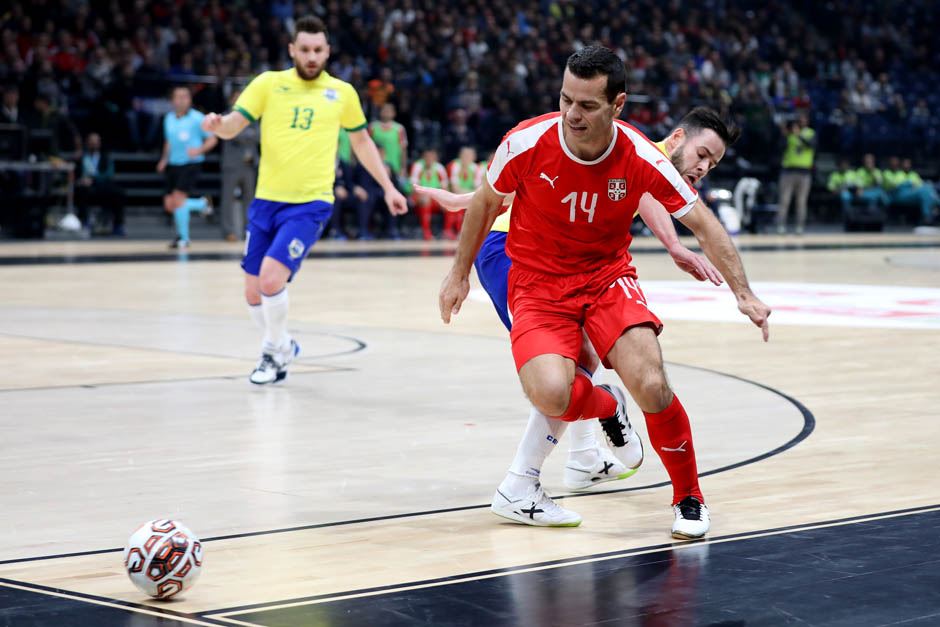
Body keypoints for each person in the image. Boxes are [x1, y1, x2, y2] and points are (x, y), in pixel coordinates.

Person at [438, 46, 771, 539]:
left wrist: (744, 293)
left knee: (650, 382)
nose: (572, 114)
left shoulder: (638, 157)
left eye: (587, 105)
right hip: (526, 269)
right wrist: (457, 274)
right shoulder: (529, 140)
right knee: (555, 386)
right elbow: (491, 199)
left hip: (603, 276)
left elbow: (697, 218)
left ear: (617, 105)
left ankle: (684, 496)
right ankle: (590, 427)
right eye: (566, 100)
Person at [200, 16, 408, 385]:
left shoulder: (342, 93)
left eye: (318, 50)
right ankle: (283, 347)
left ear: (327, 52)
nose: (312, 56)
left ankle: (270, 353)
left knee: (270, 278)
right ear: (293, 50)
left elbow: (361, 142)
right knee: (252, 292)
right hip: (266, 201)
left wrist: (389, 186)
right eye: (305, 50)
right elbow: (235, 124)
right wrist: (219, 125)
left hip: (310, 203)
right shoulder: (268, 84)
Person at [157, 85, 217, 249]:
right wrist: (164, 159)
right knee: (169, 204)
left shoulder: (198, 118)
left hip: (191, 163)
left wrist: (199, 150)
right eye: (178, 96)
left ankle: (183, 238)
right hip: (173, 164)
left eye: (185, 96)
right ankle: (202, 204)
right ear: (172, 100)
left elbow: (212, 139)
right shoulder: (168, 118)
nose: (182, 100)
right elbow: (168, 141)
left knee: (178, 200)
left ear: (190, 99)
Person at [219, 88, 259, 242]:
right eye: (235, 98)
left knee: (250, 199)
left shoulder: (251, 116)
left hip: (249, 164)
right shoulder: (225, 116)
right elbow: (232, 134)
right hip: (232, 164)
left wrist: (243, 134)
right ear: (231, 101)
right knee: (227, 199)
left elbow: (259, 135)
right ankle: (228, 231)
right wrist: (247, 135)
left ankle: (248, 230)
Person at [74, 132, 125, 236]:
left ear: (99, 143)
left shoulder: (106, 157)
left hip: (102, 186)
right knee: (81, 190)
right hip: (87, 188)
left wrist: (93, 179)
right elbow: (75, 173)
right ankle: (85, 222)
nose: (93, 144)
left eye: (95, 141)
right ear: (87, 143)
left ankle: (118, 225)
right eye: (91, 141)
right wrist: (82, 180)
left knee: (119, 192)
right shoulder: (82, 157)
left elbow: (109, 174)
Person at [776, 115, 816, 235]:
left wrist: (798, 135)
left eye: (804, 119)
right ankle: (781, 226)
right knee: (784, 200)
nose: (802, 121)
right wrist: (783, 134)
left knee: (801, 202)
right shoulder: (789, 134)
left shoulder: (811, 133)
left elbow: (812, 145)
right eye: (800, 120)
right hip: (788, 171)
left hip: (804, 172)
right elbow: (780, 147)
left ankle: (799, 227)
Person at [410, 147, 451, 240]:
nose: (429, 159)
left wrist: (443, 200)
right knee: (425, 200)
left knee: (450, 202)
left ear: (435, 157)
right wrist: (424, 195)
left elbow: (445, 188)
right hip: (419, 197)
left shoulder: (439, 168)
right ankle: (426, 232)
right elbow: (414, 187)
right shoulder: (418, 166)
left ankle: (447, 231)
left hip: (435, 198)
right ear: (423, 157)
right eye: (427, 156)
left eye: (431, 156)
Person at [368, 103, 408, 184]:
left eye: (389, 111)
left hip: (394, 168)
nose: (386, 112)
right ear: (380, 112)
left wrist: (403, 168)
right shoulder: (372, 127)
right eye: (384, 110)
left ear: (394, 113)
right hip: (375, 167)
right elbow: (366, 147)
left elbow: (403, 150)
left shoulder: (399, 129)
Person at [446, 146, 480, 236]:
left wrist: (466, 193)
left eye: (469, 155)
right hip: (454, 195)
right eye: (465, 155)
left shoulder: (475, 168)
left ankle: (471, 232)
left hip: (468, 195)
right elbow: (454, 188)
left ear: (474, 157)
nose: (467, 157)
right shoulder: (454, 165)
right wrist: (468, 193)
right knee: (457, 201)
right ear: (460, 156)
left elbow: (478, 189)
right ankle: (449, 230)